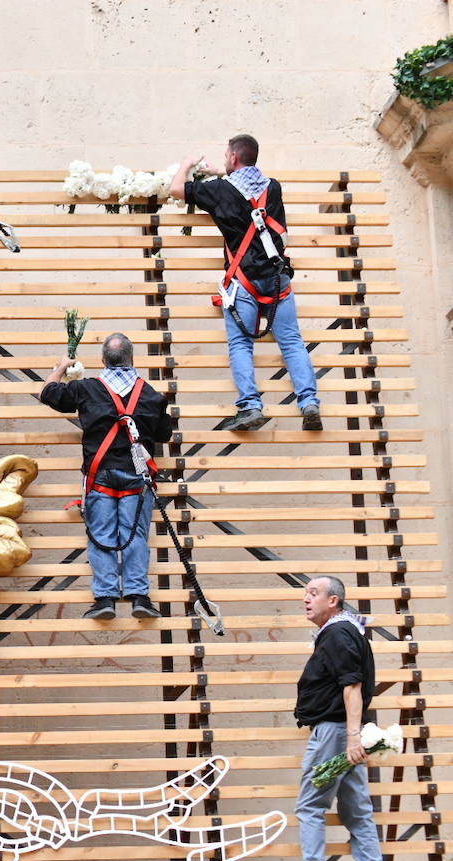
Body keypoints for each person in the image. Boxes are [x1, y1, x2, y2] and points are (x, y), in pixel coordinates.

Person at [170, 135, 321, 432]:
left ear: (234, 158)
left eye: (227, 156)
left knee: (241, 344)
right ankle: (309, 402)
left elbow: (177, 189)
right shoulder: (273, 187)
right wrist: (221, 174)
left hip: (243, 282)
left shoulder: (218, 191)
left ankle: (251, 406)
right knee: (291, 343)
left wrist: (187, 164)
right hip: (278, 280)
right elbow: (246, 185)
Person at [39, 333, 173, 619]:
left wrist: (63, 366)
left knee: (101, 536)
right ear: (132, 359)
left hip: (100, 475)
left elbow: (48, 393)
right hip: (136, 478)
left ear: (102, 360)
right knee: (135, 535)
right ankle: (139, 597)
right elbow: (164, 434)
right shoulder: (151, 395)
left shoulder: (87, 389)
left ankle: (105, 600)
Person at [272, 576, 386, 861]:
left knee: (310, 807)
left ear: (333, 601)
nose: (305, 599)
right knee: (357, 808)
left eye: (313, 593)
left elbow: (352, 687)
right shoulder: (344, 630)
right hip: (343, 732)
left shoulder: (337, 633)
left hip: (336, 733)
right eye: (305, 593)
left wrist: (352, 738)